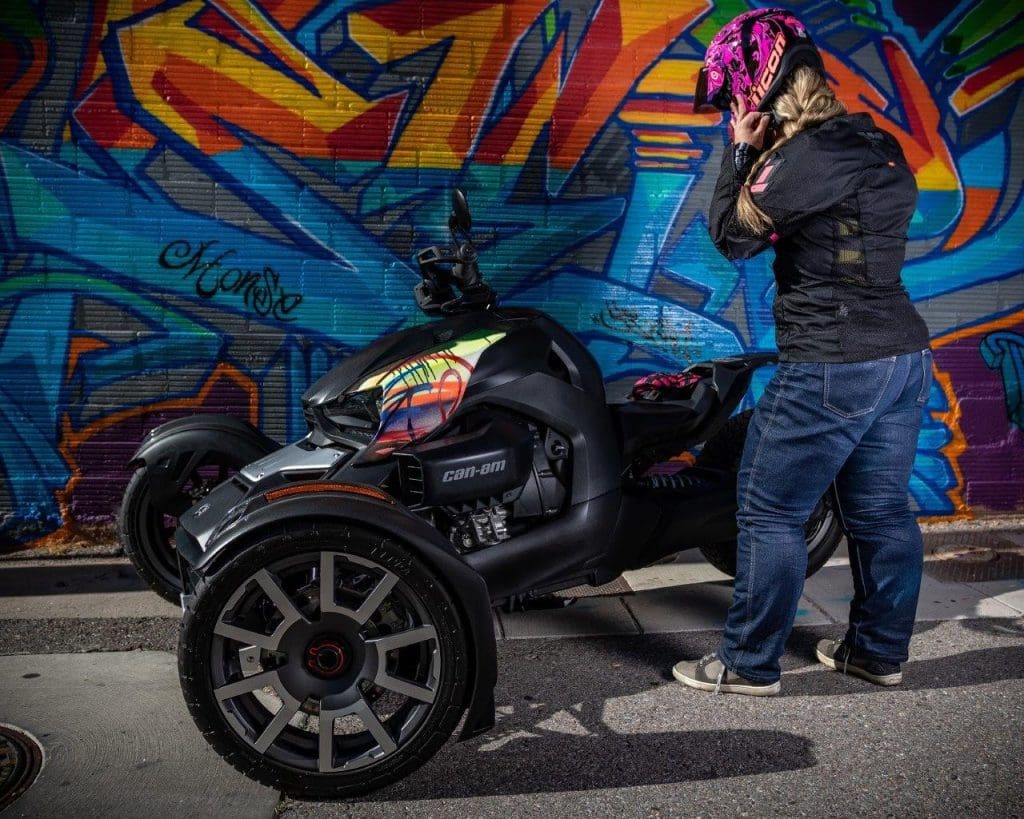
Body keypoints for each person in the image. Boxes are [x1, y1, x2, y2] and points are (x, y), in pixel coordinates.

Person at [672, 7, 933, 696]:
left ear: (757, 89)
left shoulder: (799, 158)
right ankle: (877, 652)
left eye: (734, 97)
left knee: (769, 511)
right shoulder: (873, 142)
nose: (732, 107)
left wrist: (738, 149)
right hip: (902, 357)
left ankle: (746, 664)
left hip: (831, 361)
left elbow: (731, 237)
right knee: (880, 510)